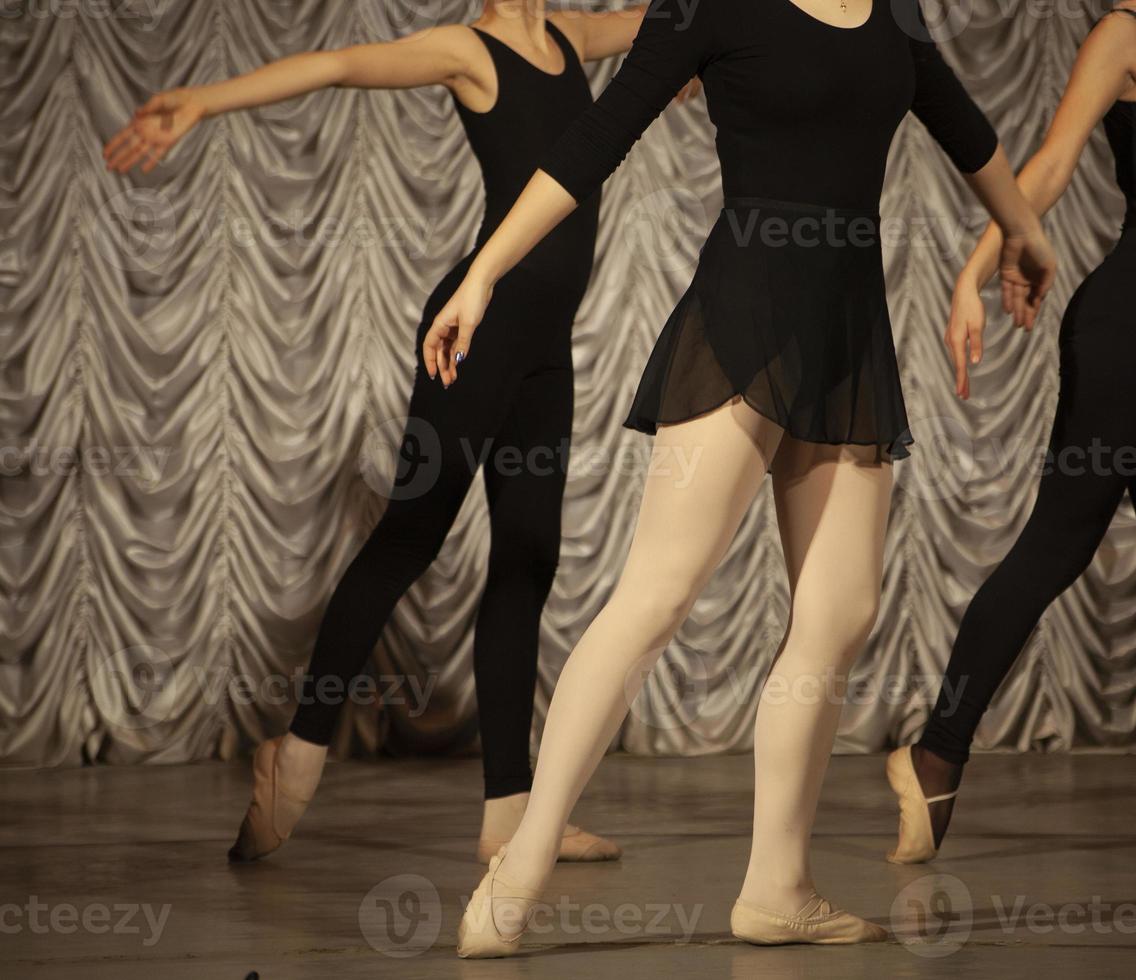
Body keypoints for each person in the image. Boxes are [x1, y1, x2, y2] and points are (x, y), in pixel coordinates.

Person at [422, 0, 1056, 957]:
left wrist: (1020, 230)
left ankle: (776, 885)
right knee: (656, 594)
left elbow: (962, 124)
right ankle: (518, 869)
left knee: (841, 610)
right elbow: (598, 135)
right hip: (744, 313)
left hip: (848, 330)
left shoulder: (895, 13)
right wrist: (485, 273)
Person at [103, 0, 696, 867]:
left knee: (530, 556)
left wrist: (705, 56)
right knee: (409, 538)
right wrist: (204, 99)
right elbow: (341, 65)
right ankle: (297, 754)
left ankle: (510, 815)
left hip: (544, 351)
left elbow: (671, 17)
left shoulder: (572, 34)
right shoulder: (469, 50)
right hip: (476, 329)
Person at [886, 0, 1136, 870]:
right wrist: (976, 269)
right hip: (1127, 330)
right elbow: (1053, 161)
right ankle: (934, 753)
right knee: (1058, 545)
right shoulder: (1124, 33)